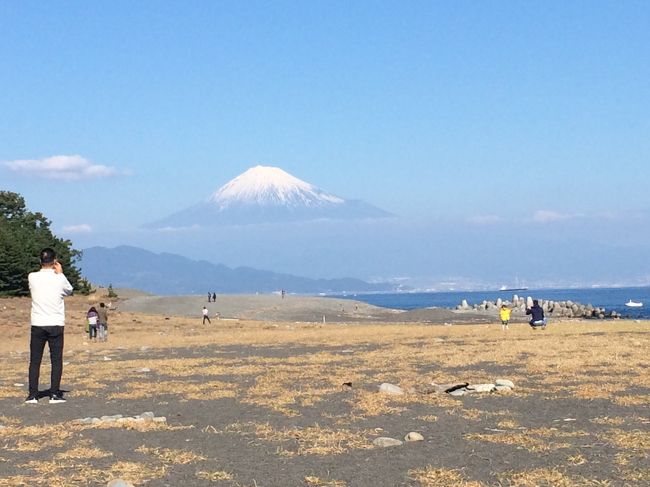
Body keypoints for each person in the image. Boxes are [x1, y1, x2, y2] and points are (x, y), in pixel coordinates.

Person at [26, 248, 73, 404]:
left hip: (38, 323)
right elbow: (69, 290)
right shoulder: (59, 279)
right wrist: (60, 273)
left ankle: (33, 394)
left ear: (40, 261)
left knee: (35, 360)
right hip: (55, 323)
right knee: (56, 360)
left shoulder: (32, 277)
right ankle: (54, 393)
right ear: (55, 261)